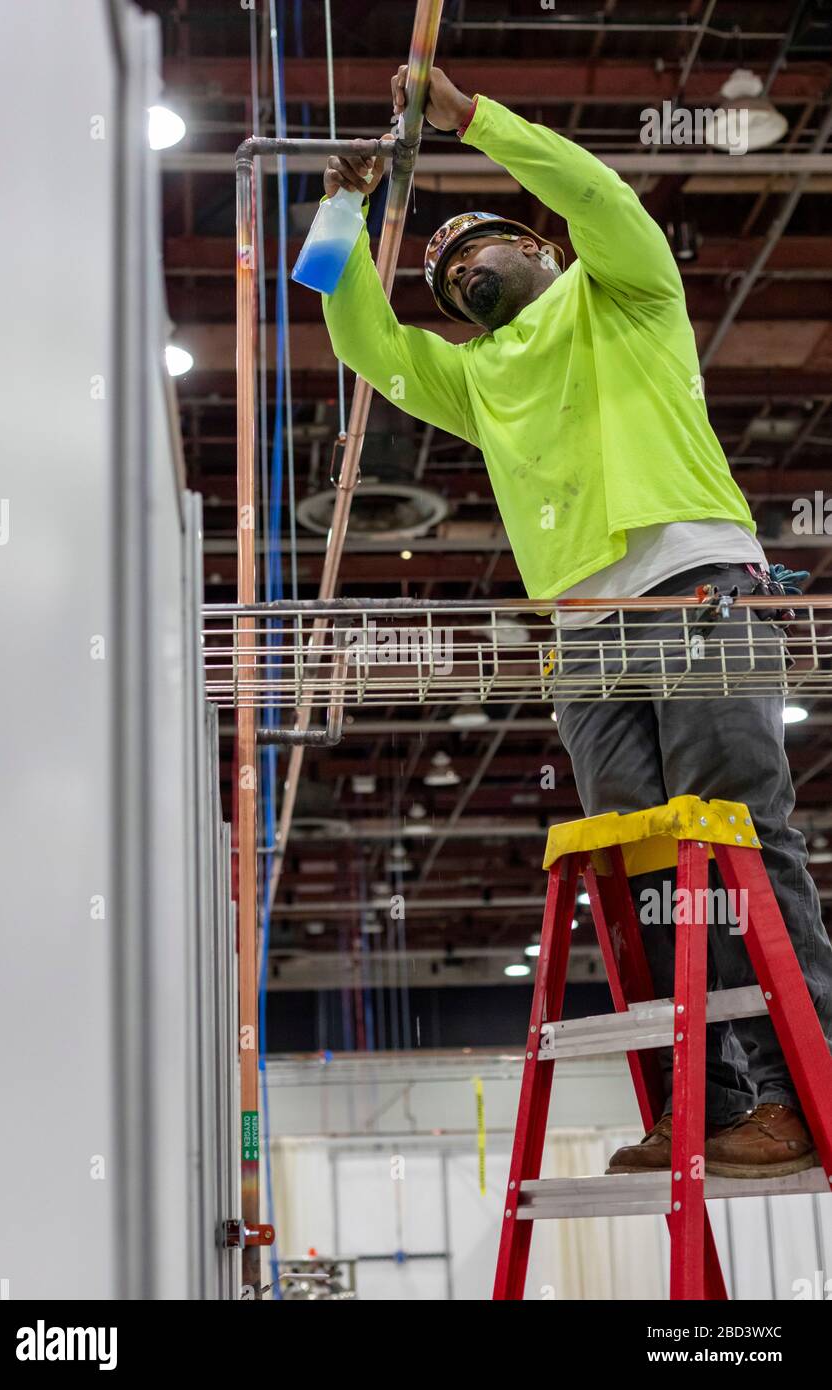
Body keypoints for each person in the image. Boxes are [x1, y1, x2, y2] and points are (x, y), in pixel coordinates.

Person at [318, 65, 832, 1178]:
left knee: (734, 839)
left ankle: (803, 1088)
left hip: (694, 590)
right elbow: (361, 340)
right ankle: (700, 1104)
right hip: (587, 637)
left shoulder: (626, 294)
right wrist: (339, 210)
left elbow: (601, 196)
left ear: (544, 250)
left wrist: (469, 122)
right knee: (643, 868)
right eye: (447, 273)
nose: (463, 269)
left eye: (482, 245)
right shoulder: (477, 375)